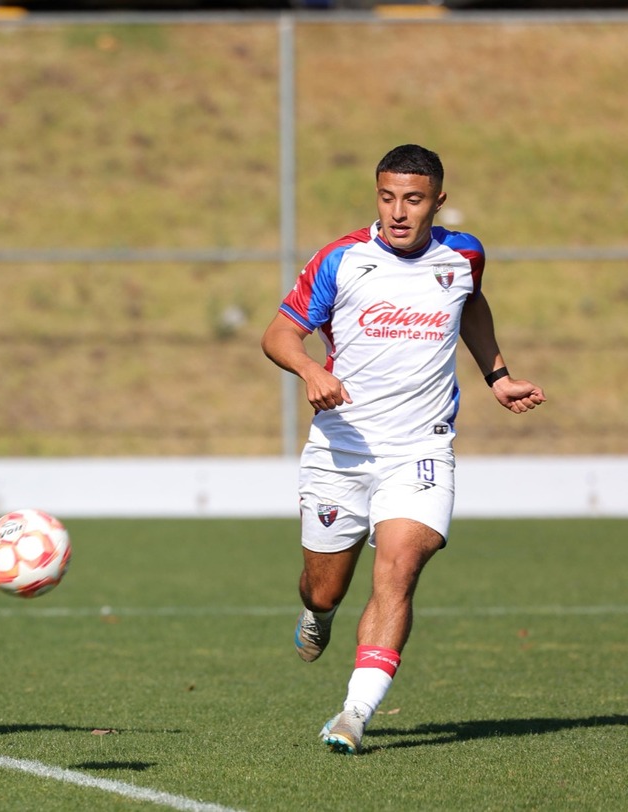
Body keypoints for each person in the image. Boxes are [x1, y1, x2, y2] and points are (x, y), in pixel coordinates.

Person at [260, 144, 546, 755]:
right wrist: (310, 370)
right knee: (325, 588)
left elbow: (470, 305)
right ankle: (319, 614)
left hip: (421, 447)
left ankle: (353, 715)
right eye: (387, 197)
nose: (397, 211)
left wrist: (497, 375)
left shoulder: (463, 255)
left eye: (412, 200)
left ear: (436, 202)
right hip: (342, 449)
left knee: (399, 569)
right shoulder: (341, 259)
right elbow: (279, 331)